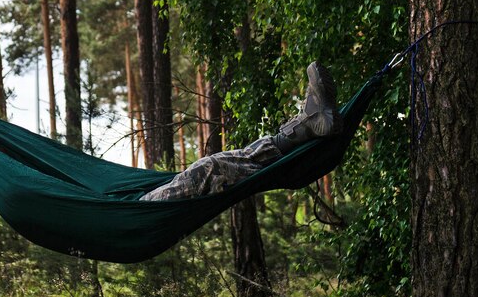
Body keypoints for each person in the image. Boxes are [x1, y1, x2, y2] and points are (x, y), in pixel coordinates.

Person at [140, 62, 342, 201]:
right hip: (143, 210)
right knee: (210, 169)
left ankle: (304, 125)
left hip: (139, 206)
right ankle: (305, 124)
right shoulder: (121, 215)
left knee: (218, 167)